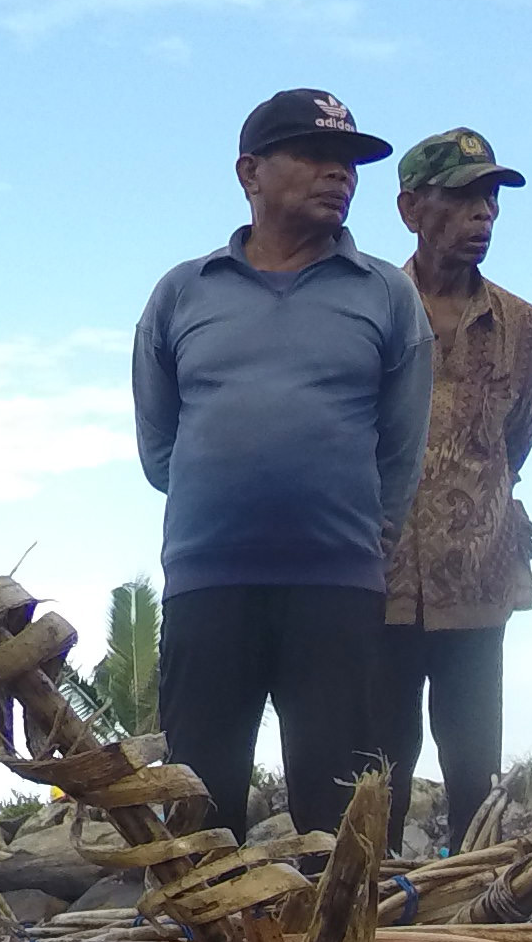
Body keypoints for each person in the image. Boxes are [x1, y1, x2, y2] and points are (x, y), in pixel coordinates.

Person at [135, 91, 432, 848]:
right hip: (208, 583)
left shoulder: (386, 294)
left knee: (338, 824)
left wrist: (363, 527)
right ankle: (206, 929)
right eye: (315, 155)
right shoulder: (182, 292)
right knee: (199, 815)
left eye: (349, 162)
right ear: (250, 173)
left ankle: (339, 931)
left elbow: (402, 445)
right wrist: (227, 500)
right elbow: (161, 450)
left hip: (336, 587)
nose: (340, 174)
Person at [380, 127, 532, 856]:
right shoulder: (373, 309)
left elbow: (515, 442)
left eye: (491, 198)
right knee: (380, 758)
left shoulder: (523, 325)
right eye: (462, 197)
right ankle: (373, 896)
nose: (484, 213)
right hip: (379, 574)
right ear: (412, 209)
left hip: (479, 569)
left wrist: (481, 499)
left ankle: (479, 892)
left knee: (474, 757)